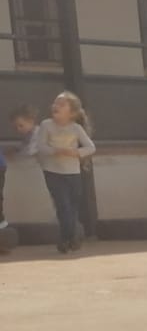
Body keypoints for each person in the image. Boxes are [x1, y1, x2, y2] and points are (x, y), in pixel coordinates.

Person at [25, 91, 94, 254]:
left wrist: (76, 153)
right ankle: (70, 237)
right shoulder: (46, 125)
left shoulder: (76, 128)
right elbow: (41, 147)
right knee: (62, 204)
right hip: (52, 171)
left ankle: (68, 237)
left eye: (61, 104)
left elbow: (91, 147)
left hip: (73, 172)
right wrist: (56, 150)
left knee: (72, 206)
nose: (56, 106)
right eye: (55, 103)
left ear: (72, 112)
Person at [1, 104, 35, 232]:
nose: (18, 129)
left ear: (30, 121)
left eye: (21, 125)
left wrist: (18, 153)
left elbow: (30, 151)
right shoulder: (27, 137)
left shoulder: (37, 134)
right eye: (16, 127)